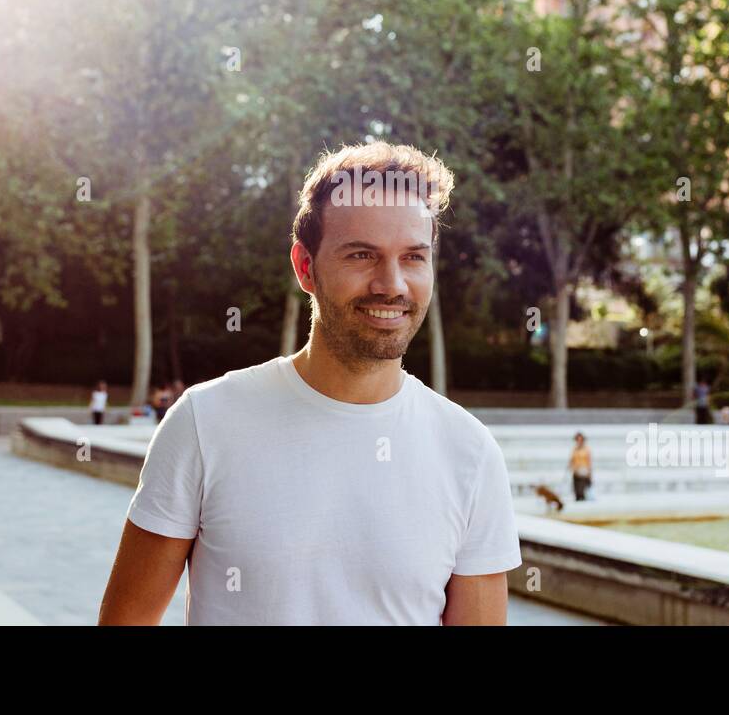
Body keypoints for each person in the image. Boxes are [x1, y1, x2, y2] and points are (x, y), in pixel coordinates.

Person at [100, 142, 521, 625]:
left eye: (413, 257)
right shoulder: (204, 422)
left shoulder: (470, 452)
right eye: (362, 255)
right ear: (305, 267)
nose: (392, 284)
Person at [567, 432, 593, 501]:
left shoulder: (586, 449)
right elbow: (572, 459)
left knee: (582, 489)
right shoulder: (574, 449)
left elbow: (589, 461)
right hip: (576, 472)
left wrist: (589, 473)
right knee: (576, 489)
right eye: (577, 440)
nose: (579, 441)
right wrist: (570, 465)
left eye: (580, 440)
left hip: (583, 472)